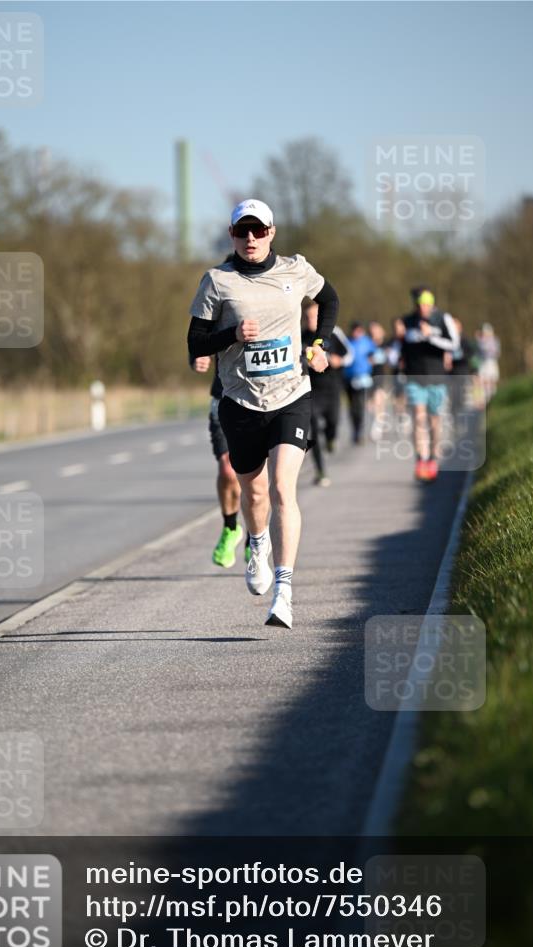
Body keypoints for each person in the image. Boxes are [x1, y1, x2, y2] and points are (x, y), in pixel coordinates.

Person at [187, 198, 339, 629]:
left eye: (258, 230)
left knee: (282, 490)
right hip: (240, 403)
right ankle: (256, 544)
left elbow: (329, 299)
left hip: (292, 395)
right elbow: (195, 343)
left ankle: (285, 593)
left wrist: (319, 344)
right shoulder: (218, 281)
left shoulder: (295, 269)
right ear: (231, 235)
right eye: (241, 231)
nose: (250, 238)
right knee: (253, 495)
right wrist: (230, 335)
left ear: (271, 232)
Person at [190, 352, 251, 567]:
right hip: (223, 399)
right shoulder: (216, 317)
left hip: (259, 398)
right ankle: (230, 528)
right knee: (227, 469)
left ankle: (255, 534)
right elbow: (198, 340)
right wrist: (196, 358)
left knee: (257, 473)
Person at [400, 287, 459, 482]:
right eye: (420, 304)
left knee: (434, 420)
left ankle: (433, 458)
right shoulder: (408, 321)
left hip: (436, 378)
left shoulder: (443, 319)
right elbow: (403, 344)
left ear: (432, 303)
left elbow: (454, 344)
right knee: (418, 416)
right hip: (414, 377)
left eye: (427, 304)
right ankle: (420, 460)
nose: (423, 308)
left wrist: (431, 336)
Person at [301, 301, 352, 486]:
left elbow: (349, 354)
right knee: (312, 429)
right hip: (310, 390)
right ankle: (320, 471)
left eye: (314, 316)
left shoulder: (333, 333)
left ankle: (331, 438)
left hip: (332, 389)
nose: (310, 320)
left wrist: (340, 360)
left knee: (333, 423)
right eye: (307, 317)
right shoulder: (301, 336)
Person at [343, 321, 375, 445]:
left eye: (359, 331)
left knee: (360, 406)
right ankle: (355, 430)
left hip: (363, 379)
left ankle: (360, 432)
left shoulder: (367, 342)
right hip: (349, 378)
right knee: (352, 407)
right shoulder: (347, 342)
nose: (356, 333)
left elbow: (373, 356)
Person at [368, 321, 389, 442]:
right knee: (370, 404)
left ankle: (378, 426)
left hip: (381, 376)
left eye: (376, 330)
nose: (374, 333)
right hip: (368, 376)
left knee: (378, 400)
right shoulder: (369, 345)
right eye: (372, 331)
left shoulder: (386, 345)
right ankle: (377, 421)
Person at [476, 322, 501, 403]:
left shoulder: (494, 340)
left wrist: (481, 340)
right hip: (483, 362)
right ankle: (485, 398)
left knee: (491, 379)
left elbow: (495, 352)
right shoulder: (481, 340)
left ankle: (492, 397)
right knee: (483, 380)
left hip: (491, 362)